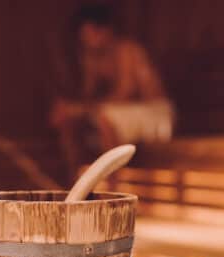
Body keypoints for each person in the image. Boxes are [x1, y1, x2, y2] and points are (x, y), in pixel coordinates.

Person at [50, 3, 173, 181]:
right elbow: (89, 97)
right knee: (68, 121)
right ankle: (74, 182)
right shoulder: (92, 57)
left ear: (106, 31)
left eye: (91, 34)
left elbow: (125, 93)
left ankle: (115, 183)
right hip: (118, 112)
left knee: (104, 118)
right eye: (84, 36)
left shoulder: (127, 50)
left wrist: (80, 109)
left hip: (155, 113)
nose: (88, 41)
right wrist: (71, 110)